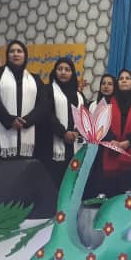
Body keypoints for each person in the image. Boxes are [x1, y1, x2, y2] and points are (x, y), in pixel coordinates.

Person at [0, 39, 47, 163]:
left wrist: (27, 121)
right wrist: (10, 120)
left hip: (28, 139)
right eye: (12, 51)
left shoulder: (35, 80)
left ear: (25, 56)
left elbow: (43, 105)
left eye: (19, 51)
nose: (15, 54)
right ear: (7, 55)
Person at [97, 69, 131, 197]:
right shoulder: (108, 103)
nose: (124, 80)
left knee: (127, 197)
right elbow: (102, 125)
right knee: (110, 193)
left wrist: (128, 142)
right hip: (110, 150)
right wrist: (112, 140)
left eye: (127, 78)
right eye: (121, 78)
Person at [42, 57, 86, 185]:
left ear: (72, 73)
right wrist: (63, 133)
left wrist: (76, 132)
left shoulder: (79, 95)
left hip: (74, 144)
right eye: (60, 69)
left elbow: (84, 117)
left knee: (71, 183)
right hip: (53, 145)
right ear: (54, 71)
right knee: (54, 182)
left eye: (67, 69)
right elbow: (47, 114)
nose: (63, 72)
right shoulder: (47, 90)